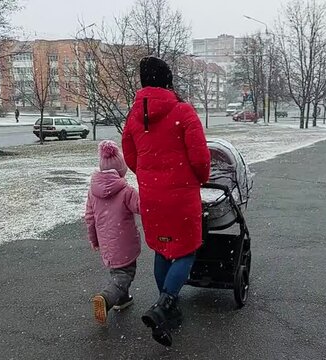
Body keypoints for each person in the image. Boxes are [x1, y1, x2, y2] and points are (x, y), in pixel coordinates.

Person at [122, 56, 211, 347]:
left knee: (162, 248)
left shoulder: (133, 117)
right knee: (186, 250)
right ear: (168, 80)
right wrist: (199, 177)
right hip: (181, 195)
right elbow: (200, 158)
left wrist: (150, 177)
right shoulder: (183, 112)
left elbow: (131, 157)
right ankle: (164, 305)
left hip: (152, 197)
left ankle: (167, 309)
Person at [85, 140, 141, 325]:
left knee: (117, 273)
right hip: (124, 243)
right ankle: (106, 298)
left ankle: (122, 299)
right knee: (125, 274)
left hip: (107, 244)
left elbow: (89, 217)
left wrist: (94, 240)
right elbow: (141, 207)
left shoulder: (93, 191)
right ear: (121, 169)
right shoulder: (126, 191)